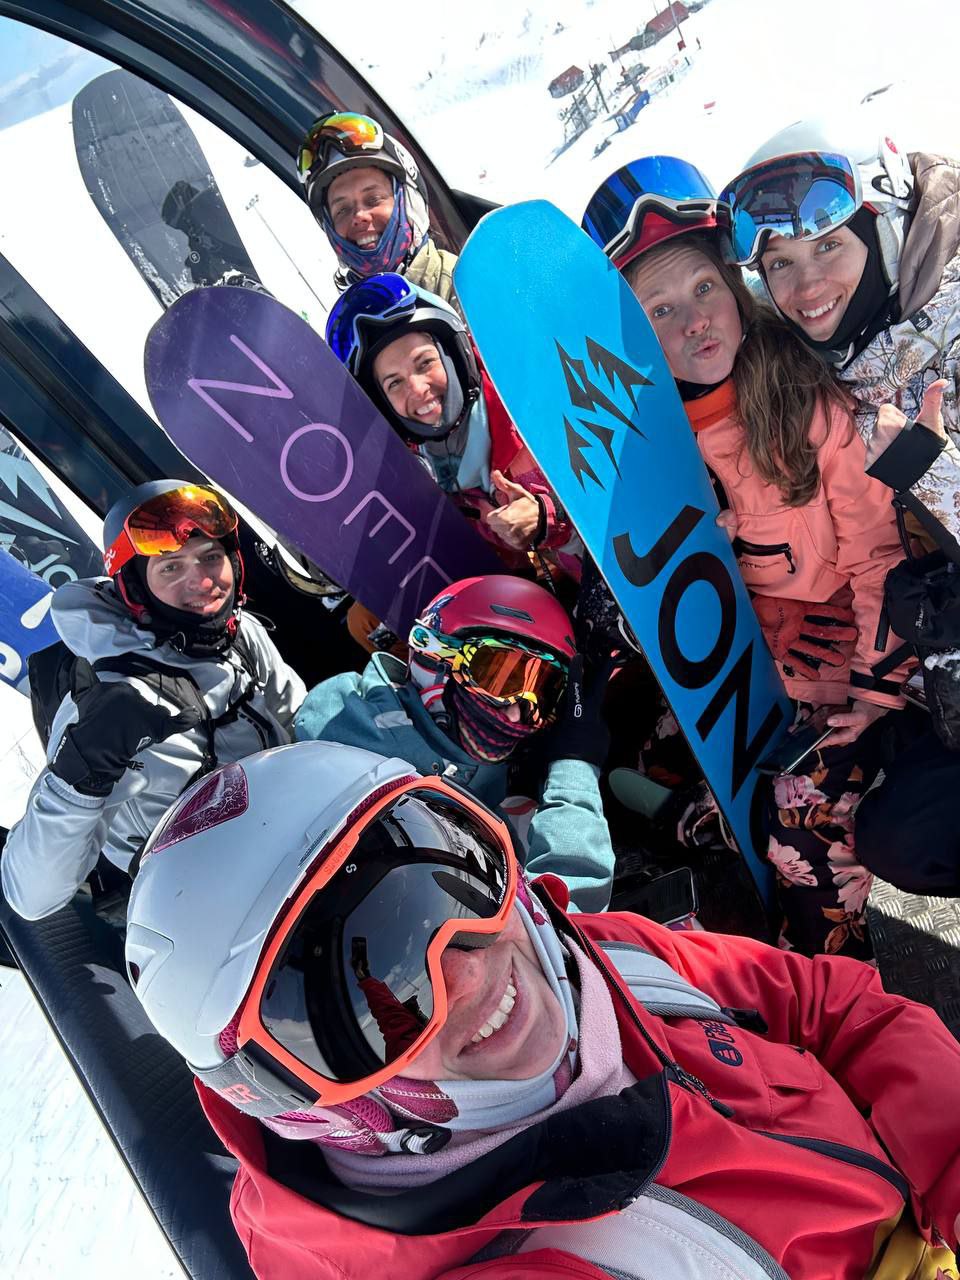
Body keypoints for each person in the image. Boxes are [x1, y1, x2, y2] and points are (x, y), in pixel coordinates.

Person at [124, 740, 960, 1280]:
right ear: (300, 1102)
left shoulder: (606, 956)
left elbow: (830, 1004)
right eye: (370, 1001)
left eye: (452, 879)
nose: (467, 970)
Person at [582, 157, 911, 958]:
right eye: (661, 310)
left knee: (797, 827)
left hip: (846, 661)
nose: (694, 321)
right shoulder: (648, 447)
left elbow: (877, 553)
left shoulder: (803, 400)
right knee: (649, 754)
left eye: (704, 289)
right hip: (752, 656)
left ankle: (841, 989)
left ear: (735, 288)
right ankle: (708, 827)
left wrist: (874, 689)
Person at [719, 118, 960, 897]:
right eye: (780, 264)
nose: (806, 286)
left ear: (881, 231)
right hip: (938, 671)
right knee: (903, 832)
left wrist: (928, 471)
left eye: (828, 246)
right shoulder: (853, 361)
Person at [0, 480, 305, 921]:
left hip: (295, 844)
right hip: (200, 905)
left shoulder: (239, 634)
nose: (202, 581)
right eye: (170, 567)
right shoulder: (108, 696)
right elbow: (30, 896)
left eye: (210, 557)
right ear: (134, 586)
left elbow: (299, 722)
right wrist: (84, 769)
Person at [294, 574, 615, 914]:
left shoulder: (467, 780)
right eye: (500, 678)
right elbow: (557, 924)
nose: (516, 713)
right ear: (435, 657)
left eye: (542, 695)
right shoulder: (394, 806)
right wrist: (574, 772)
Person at [326, 272, 582, 586]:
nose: (417, 389)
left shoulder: (529, 403)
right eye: (394, 383)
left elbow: (621, 468)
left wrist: (548, 514)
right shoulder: (428, 473)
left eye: (424, 363)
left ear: (454, 356)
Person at [298, 111, 457, 299]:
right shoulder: (350, 312)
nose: (359, 216)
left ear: (410, 203)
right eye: (342, 210)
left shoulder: (467, 286)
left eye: (373, 199)